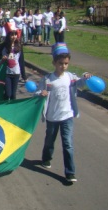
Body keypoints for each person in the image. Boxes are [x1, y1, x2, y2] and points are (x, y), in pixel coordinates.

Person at [37, 43, 91, 183]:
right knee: (50, 141)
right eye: (60, 63)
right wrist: (40, 93)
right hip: (52, 117)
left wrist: (85, 77)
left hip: (67, 116)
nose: (63, 66)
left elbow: (79, 83)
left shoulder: (70, 77)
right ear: (54, 63)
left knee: (68, 144)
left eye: (66, 63)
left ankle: (70, 172)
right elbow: (37, 92)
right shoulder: (48, 79)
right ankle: (46, 158)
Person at [0, 23, 27, 100]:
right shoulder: (3, 46)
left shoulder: (19, 46)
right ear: (8, 36)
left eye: (15, 35)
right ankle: (4, 103)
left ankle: (13, 110)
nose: (14, 37)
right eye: (12, 35)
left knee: (13, 95)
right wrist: (2, 58)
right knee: (8, 93)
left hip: (16, 73)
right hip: (6, 73)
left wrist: (24, 76)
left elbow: (21, 61)